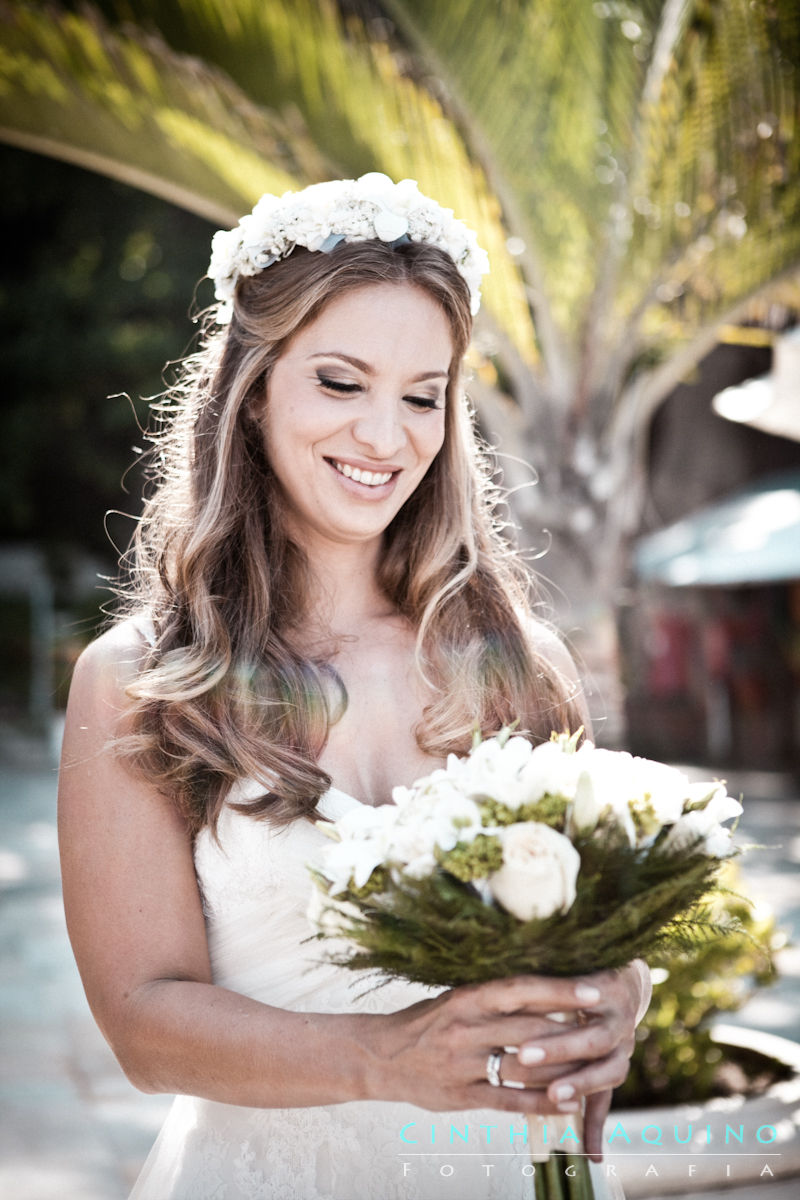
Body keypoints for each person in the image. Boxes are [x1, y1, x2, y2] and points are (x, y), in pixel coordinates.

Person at [58, 174, 651, 1200]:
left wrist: (618, 1000)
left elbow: (592, 938)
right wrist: (385, 1057)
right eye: (341, 382)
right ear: (253, 392)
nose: (387, 437)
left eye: (422, 395)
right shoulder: (141, 682)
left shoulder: (517, 666)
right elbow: (144, 1027)